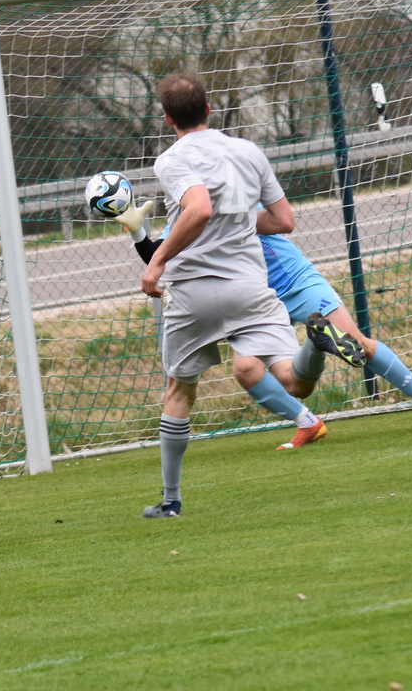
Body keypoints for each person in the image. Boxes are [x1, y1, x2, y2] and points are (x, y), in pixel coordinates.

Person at [137, 73, 350, 518]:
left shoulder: (171, 160)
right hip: (248, 286)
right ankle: (316, 343)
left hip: (193, 291)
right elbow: (284, 220)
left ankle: (171, 501)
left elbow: (199, 207)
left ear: (168, 119)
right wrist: (234, 224)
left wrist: (157, 261)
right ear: (208, 109)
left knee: (180, 392)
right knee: (294, 380)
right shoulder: (248, 151)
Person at [118, 187, 412, 429]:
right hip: (254, 299)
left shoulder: (230, 204)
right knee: (246, 370)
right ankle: (308, 422)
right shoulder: (184, 222)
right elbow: (159, 257)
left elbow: (277, 221)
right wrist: (137, 231)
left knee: (359, 344)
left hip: (295, 283)